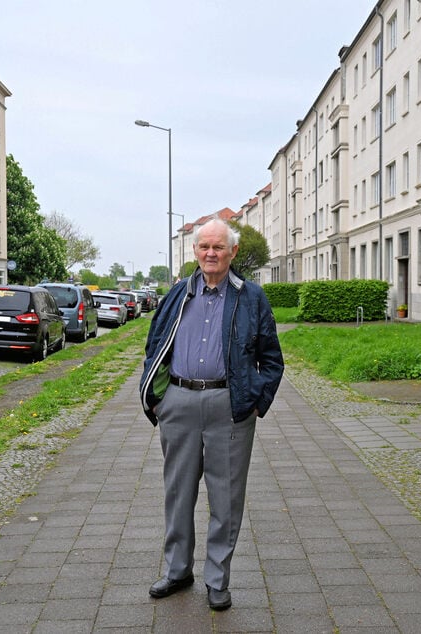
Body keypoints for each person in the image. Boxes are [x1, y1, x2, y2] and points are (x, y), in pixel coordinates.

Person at [139, 216, 284, 611]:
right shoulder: (178, 295)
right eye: (204, 246)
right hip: (180, 404)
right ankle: (177, 570)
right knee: (177, 493)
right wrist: (157, 397)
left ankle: (217, 580)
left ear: (233, 252)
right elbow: (154, 345)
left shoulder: (251, 297)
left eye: (218, 247)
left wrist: (256, 400)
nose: (211, 253)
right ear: (195, 251)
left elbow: (272, 359)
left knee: (226, 500)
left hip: (230, 408)